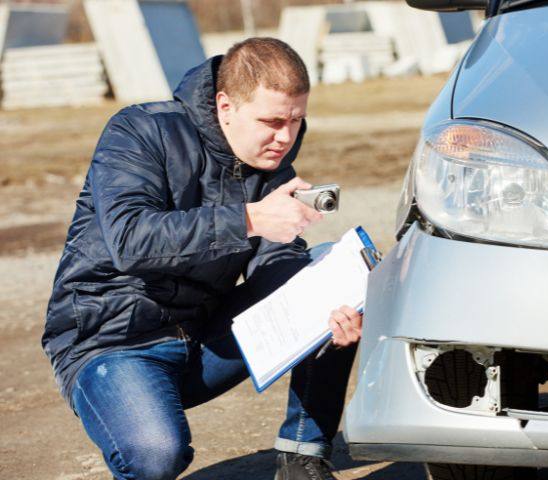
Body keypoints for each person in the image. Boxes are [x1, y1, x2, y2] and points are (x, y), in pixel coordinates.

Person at [41, 38, 362, 480]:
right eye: (271, 121)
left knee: (331, 281)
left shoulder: (272, 159)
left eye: (296, 120)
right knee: (156, 454)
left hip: (203, 335)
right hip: (112, 342)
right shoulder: (140, 131)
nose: (285, 137)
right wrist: (250, 217)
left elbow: (277, 263)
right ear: (225, 105)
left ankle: (302, 457)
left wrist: (324, 317)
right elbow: (131, 240)